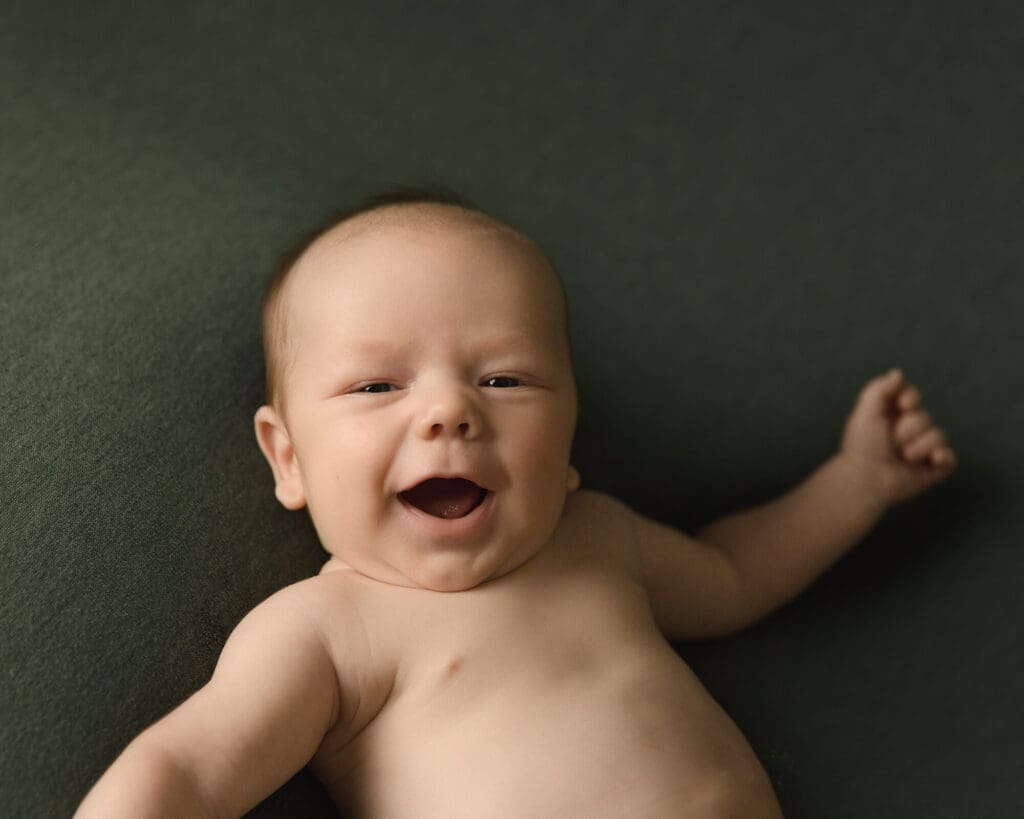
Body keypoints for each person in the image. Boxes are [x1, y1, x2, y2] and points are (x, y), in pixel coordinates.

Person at [75, 186, 957, 818]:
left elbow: (735, 573)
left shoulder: (601, 537)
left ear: (570, 444)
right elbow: (187, 770)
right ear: (288, 457)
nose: (450, 409)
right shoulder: (327, 629)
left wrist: (857, 481)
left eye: (505, 377)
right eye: (377, 385)